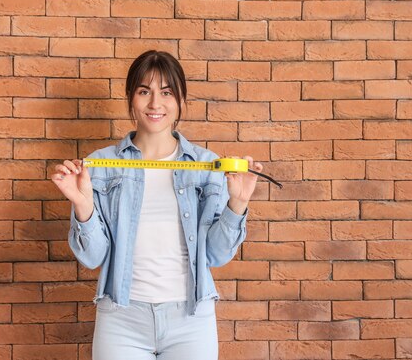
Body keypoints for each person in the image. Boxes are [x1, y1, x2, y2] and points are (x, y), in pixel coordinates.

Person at [50, 50, 263, 359]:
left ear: (181, 101)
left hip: (191, 319)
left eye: (166, 92)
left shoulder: (208, 166)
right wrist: (83, 206)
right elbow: (93, 257)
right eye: (144, 91)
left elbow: (216, 256)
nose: (155, 104)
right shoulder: (99, 165)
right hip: (121, 318)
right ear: (130, 99)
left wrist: (238, 204)